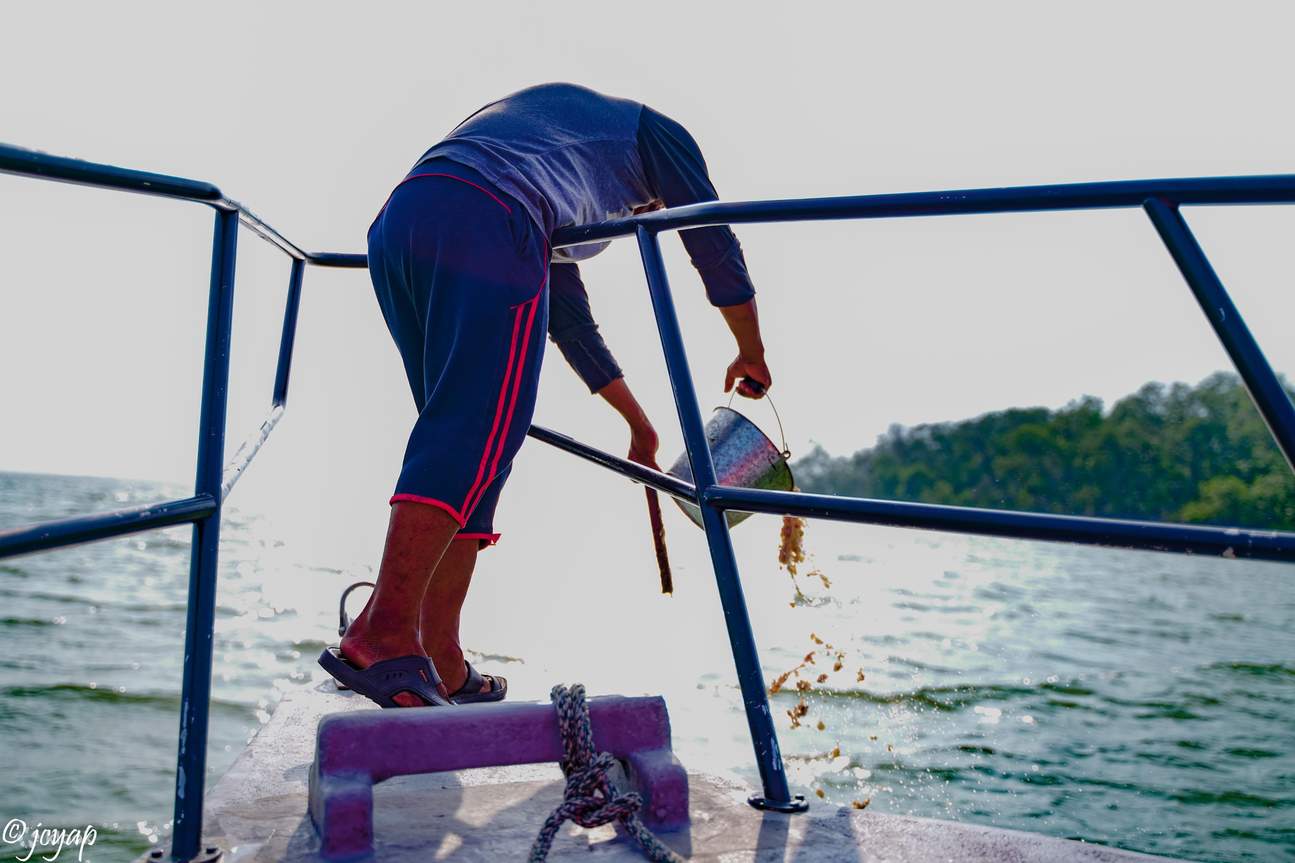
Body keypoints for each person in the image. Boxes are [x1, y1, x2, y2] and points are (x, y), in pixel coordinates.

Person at [319, 83, 773, 708]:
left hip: (404, 224)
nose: (646, 213)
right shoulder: (657, 135)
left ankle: (439, 652)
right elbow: (711, 240)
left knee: (474, 442)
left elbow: (572, 324)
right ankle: (386, 631)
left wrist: (638, 425)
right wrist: (751, 349)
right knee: (475, 430)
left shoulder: (552, 155)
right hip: (488, 216)